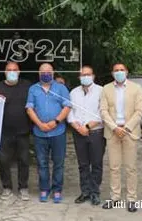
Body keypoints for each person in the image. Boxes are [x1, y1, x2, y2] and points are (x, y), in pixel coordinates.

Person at [26, 63, 71, 203]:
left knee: (58, 163)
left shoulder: (61, 88)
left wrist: (55, 122)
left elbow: (67, 106)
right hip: (39, 133)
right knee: (42, 163)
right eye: (42, 72)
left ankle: (57, 190)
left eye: (48, 71)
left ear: (53, 72)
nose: (45, 74)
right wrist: (40, 124)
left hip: (58, 132)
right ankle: (44, 189)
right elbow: (29, 108)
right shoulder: (33, 89)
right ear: (39, 74)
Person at [100, 63, 142, 213]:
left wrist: (127, 128)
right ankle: (115, 197)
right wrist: (115, 128)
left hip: (130, 132)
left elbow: (139, 111)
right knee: (114, 167)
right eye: (116, 70)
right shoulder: (106, 89)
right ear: (112, 73)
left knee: (131, 168)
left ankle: (132, 199)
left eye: (121, 70)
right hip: (113, 132)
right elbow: (103, 111)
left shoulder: (136, 89)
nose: (119, 72)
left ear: (127, 72)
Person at [0, 62, 31, 200]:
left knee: (24, 160)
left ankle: (23, 187)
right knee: (3, 161)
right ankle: (6, 187)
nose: (12, 72)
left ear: (19, 72)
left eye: (15, 70)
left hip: (23, 131)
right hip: (4, 132)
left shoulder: (27, 86)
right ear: (5, 72)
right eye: (9, 70)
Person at [68, 66, 105, 206]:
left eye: (88, 74)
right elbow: (69, 112)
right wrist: (77, 126)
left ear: (93, 76)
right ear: (79, 77)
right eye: (83, 75)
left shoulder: (101, 91)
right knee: (83, 164)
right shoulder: (74, 92)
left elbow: (103, 112)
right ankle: (85, 191)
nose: (85, 77)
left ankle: (95, 192)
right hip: (79, 133)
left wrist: (88, 126)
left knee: (96, 164)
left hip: (96, 132)